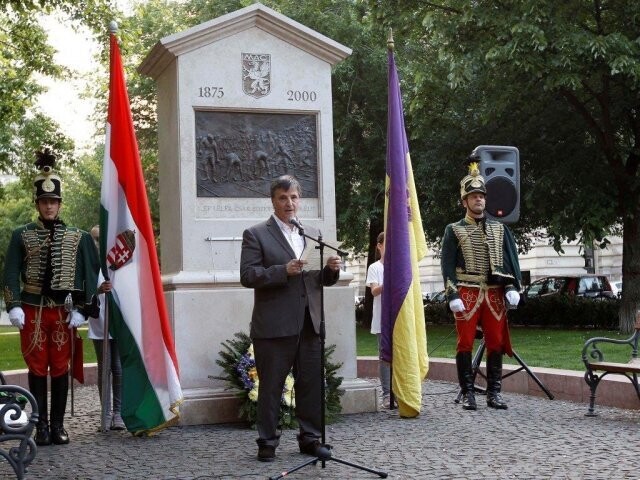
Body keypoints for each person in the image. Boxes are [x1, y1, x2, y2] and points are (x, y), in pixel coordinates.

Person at [240, 175, 342, 462]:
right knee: (271, 386)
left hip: (310, 323)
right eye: (283, 197)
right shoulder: (256, 233)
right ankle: (267, 442)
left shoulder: (310, 233)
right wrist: (282, 270)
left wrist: (331, 270)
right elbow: (247, 275)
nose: (290, 203)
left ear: (300, 200)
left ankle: (310, 438)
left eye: (294, 197)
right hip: (274, 326)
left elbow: (316, 280)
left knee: (310, 384)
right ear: (273, 200)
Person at [3, 148, 98, 445]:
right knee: (35, 366)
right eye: (44, 202)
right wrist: (14, 305)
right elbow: (10, 273)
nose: (48, 207)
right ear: (37, 204)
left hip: (63, 312)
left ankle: (57, 426)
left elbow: (91, 274)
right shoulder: (21, 235)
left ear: (59, 204)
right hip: (31, 311)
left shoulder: (79, 236)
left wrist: (84, 308)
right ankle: (39, 425)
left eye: (53, 202)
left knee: (60, 367)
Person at [440, 160, 522, 411]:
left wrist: (511, 288)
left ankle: (494, 393)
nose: (479, 200)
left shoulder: (500, 229)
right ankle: (467, 392)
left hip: (495, 293)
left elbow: (509, 262)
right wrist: (452, 293)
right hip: (466, 291)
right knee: (465, 342)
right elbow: (447, 265)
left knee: (495, 341)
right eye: (473, 196)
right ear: (464, 201)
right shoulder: (453, 229)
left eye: (481, 196)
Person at [87, 225, 125, 431]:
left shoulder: (117, 262)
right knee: (104, 368)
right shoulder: (90, 265)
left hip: (117, 322)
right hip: (99, 322)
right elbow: (83, 293)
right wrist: (97, 289)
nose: (97, 243)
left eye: (100, 239)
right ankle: (105, 413)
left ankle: (118, 413)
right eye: (94, 239)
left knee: (118, 368)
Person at [365, 231, 391, 409]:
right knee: (384, 356)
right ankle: (387, 393)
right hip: (382, 318)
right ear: (379, 246)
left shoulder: (401, 265)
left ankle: (400, 392)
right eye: (386, 243)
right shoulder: (375, 267)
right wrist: (388, 281)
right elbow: (374, 291)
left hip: (397, 317)